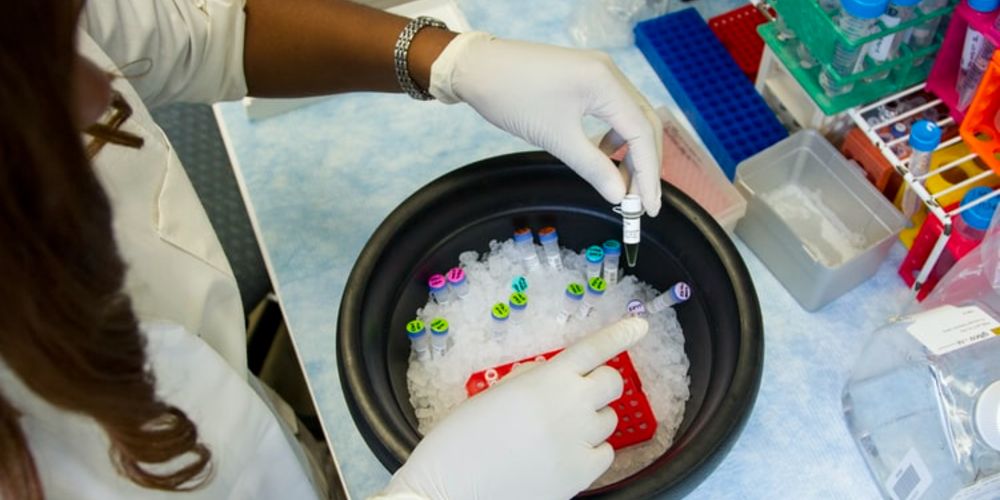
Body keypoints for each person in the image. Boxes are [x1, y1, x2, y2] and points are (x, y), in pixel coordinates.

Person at [0, 0, 661, 498]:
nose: (102, 87)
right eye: (49, 74)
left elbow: (202, 32)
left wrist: (451, 59)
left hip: (245, 435)